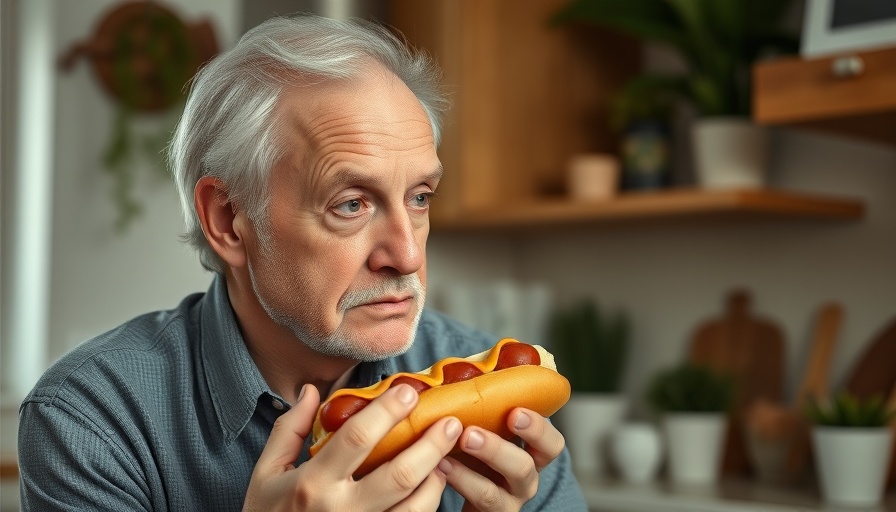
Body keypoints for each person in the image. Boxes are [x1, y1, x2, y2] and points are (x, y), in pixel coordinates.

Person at [18, 13, 586, 511]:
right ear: (227, 219)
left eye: (419, 197)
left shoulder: (496, 392)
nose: (408, 255)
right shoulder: (91, 421)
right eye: (351, 204)